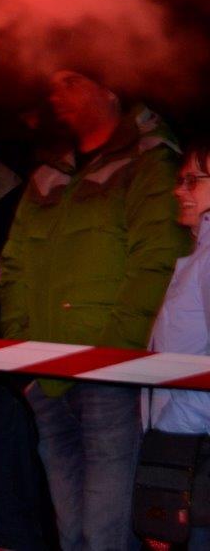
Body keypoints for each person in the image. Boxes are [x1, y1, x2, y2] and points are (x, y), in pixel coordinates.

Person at [0, 70, 189, 550]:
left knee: (106, 535)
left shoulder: (149, 163)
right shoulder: (48, 173)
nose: (56, 93)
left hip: (109, 379)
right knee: (73, 534)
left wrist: (112, 361)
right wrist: (21, 356)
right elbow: (13, 265)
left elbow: (157, 264)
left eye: (72, 81)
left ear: (109, 88)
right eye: (53, 83)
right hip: (46, 376)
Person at [143, 140, 210, 548]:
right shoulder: (200, 255)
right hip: (187, 437)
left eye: (193, 180)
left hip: (196, 444)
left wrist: (177, 424)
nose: (178, 190)